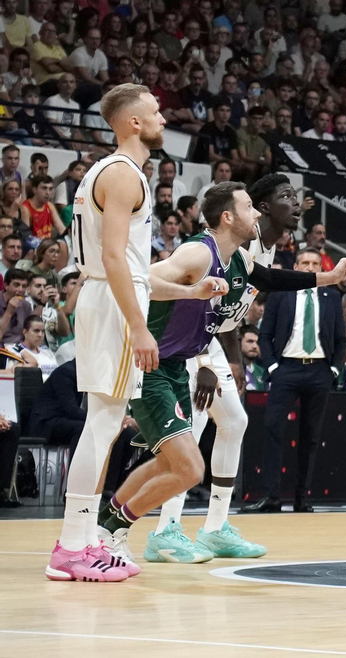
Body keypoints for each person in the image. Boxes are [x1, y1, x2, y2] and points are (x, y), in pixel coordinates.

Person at [152, 172, 346, 556]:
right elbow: (195, 299)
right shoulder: (230, 246)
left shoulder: (260, 249)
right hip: (179, 342)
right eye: (286, 196)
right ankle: (166, 530)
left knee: (235, 421)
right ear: (262, 209)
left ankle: (215, 527)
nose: (296, 203)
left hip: (206, 339)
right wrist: (204, 359)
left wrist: (328, 277)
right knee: (191, 429)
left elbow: (255, 286)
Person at [47, 84, 191, 582]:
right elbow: (114, 260)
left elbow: (128, 264)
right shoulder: (124, 175)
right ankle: (72, 546)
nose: (162, 119)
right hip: (112, 304)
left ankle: (81, 542)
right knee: (103, 425)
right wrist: (139, 326)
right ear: (132, 122)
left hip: (105, 297)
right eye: (154, 112)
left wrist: (190, 292)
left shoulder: (107, 173)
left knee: (103, 425)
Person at [92, 182, 246, 567]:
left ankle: (102, 529)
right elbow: (141, 279)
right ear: (227, 217)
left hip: (177, 367)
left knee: (166, 464)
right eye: (249, 206)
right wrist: (194, 291)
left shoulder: (235, 261)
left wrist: (326, 281)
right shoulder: (197, 251)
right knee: (191, 469)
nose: (256, 213)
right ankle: (114, 530)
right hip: (151, 366)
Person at [246, 249, 346, 513]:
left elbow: (340, 340)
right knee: (272, 429)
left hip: (319, 371)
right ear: (296, 266)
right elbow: (264, 336)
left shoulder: (332, 296)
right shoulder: (281, 294)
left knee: (310, 436)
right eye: (305, 263)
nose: (310, 267)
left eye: (315, 264)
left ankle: (302, 498)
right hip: (286, 369)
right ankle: (271, 497)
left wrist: (334, 370)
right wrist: (275, 367)